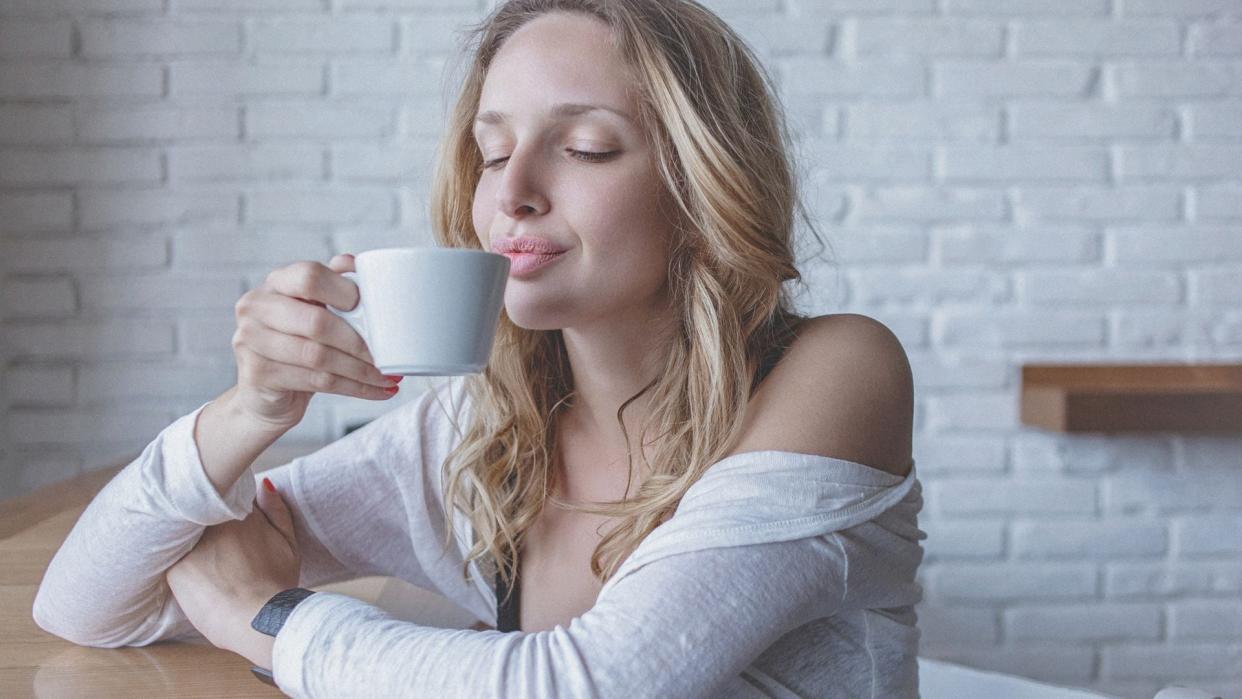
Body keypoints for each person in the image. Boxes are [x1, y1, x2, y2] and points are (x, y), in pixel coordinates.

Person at [32, 0, 924, 696]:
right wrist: (247, 411)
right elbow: (86, 605)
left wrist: (264, 618)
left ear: (703, 184)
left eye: (585, 147)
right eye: (492, 154)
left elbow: (599, 682)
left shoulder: (836, 372)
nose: (515, 193)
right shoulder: (482, 431)